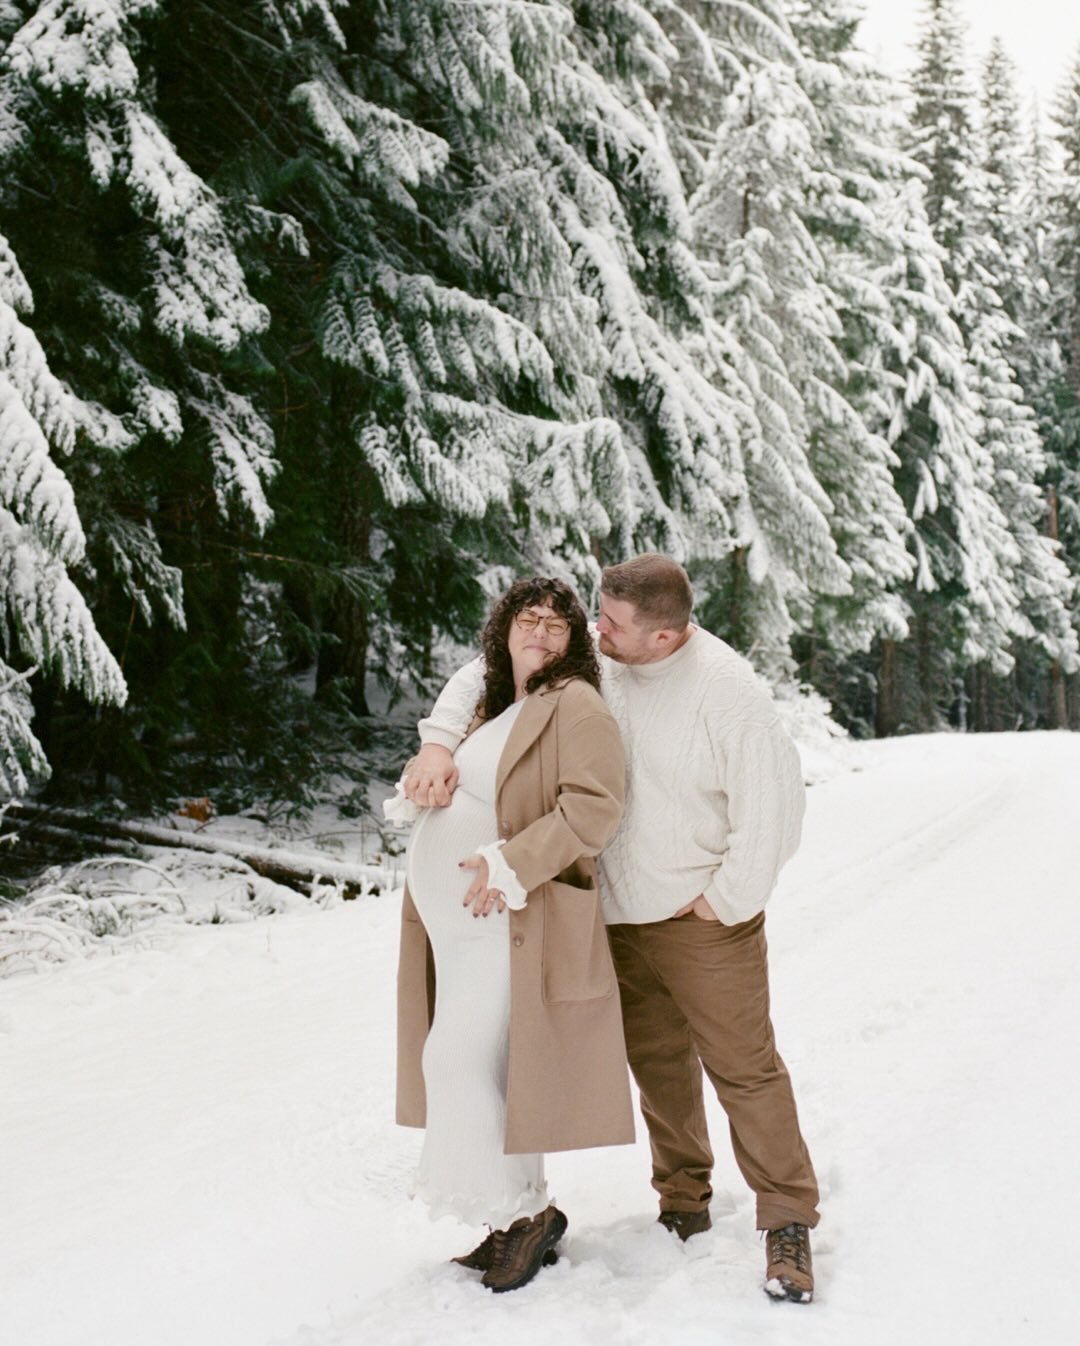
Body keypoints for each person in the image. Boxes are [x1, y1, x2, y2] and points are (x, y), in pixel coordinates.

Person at [403, 554, 819, 1304]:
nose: (599, 631)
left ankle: (787, 1220)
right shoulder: (607, 663)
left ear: (665, 637)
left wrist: (725, 899)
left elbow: (775, 810)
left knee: (743, 1069)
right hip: (615, 918)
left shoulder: (729, 695)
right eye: (598, 614)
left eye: (616, 625)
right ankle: (684, 1204)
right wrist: (438, 741)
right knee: (660, 1069)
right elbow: (486, 672)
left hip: (700, 921)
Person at [388, 576, 633, 1295]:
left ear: (575, 644)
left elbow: (594, 810)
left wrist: (508, 860)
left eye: (558, 626)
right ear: (505, 630)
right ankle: (513, 1218)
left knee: (456, 1058)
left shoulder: (576, 707)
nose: (541, 632)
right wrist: (423, 782)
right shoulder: (496, 706)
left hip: (511, 920)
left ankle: (529, 1214)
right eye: (528, 619)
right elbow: (463, 784)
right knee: (491, 1068)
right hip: (455, 927)